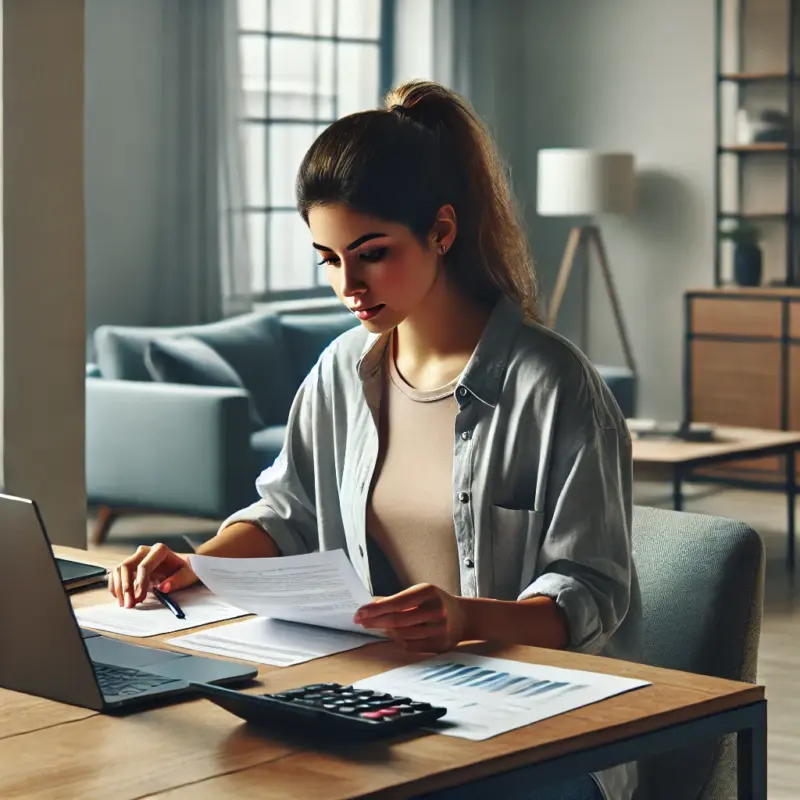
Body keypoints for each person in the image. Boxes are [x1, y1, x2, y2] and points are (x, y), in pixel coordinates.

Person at [109, 80, 641, 800]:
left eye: (372, 253)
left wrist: (463, 618)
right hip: (386, 704)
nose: (348, 285)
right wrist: (195, 565)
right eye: (328, 259)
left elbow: (591, 593)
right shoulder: (340, 371)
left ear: (442, 231)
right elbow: (288, 513)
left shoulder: (556, 386)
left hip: (540, 730)